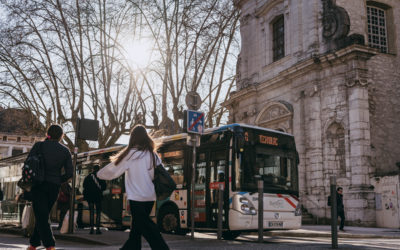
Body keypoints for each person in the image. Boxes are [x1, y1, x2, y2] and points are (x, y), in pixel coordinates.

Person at [97, 125, 169, 250]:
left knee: (146, 227)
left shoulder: (130, 155)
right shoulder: (153, 155)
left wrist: (99, 175)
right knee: (136, 230)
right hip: (150, 197)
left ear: (133, 138)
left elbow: (113, 170)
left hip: (136, 198)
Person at [27, 124, 73, 250]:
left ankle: (50, 245)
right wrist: (59, 180)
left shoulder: (39, 146)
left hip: (39, 184)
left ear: (48, 134)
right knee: (43, 214)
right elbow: (70, 173)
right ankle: (33, 244)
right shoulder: (65, 150)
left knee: (41, 215)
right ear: (61, 136)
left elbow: (28, 162)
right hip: (54, 187)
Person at [83, 165, 106, 234]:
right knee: (98, 213)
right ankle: (98, 229)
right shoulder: (101, 177)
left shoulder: (88, 177)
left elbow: (84, 186)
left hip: (90, 197)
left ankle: (92, 229)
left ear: (93, 169)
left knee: (91, 212)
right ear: (98, 169)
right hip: (98, 197)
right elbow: (104, 187)